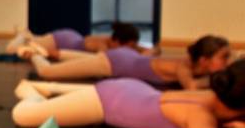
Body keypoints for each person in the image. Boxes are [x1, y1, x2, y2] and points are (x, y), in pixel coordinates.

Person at [11, 59, 245, 128]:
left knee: (87, 94)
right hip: (107, 102)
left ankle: (51, 87)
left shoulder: (212, 96)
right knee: (21, 116)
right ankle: (29, 90)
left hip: (132, 90)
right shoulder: (199, 114)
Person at [25, 35, 230, 88]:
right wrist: (222, 78)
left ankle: (47, 51)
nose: (228, 62)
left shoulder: (195, 66)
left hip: (129, 58)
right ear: (204, 60)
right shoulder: (183, 67)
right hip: (116, 62)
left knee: (83, 61)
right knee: (47, 73)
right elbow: (191, 87)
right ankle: (33, 53)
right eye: (224, 57)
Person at [6, 22, 156, 60]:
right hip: (61, 40)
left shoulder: (120, 43)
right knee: (11, 50)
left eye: (133, 46)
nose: (131, 49)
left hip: (71, 37)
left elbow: (155, 49)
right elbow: (104, 60)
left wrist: (143, 54)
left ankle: (30, 36)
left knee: (36, 41)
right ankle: (23, 35)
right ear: (117, 41)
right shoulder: (102, 44)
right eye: (130, 46)